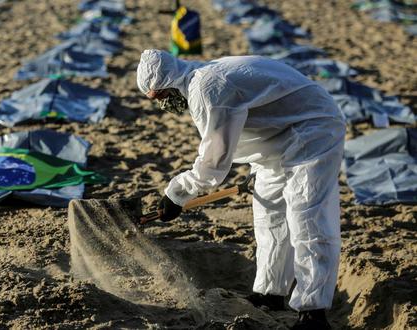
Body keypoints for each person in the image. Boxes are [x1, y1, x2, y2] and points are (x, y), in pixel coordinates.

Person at [137, 49, 345, 330]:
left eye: (160, 96)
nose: (162, 104)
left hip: (313, 128)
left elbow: (213, 163)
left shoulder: (206, 88)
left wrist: (175, 195)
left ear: (169, 82)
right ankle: (269, 293)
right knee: (269, 214)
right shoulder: (201, 76)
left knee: (306, 215)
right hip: (277, 138)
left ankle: (314, 311)